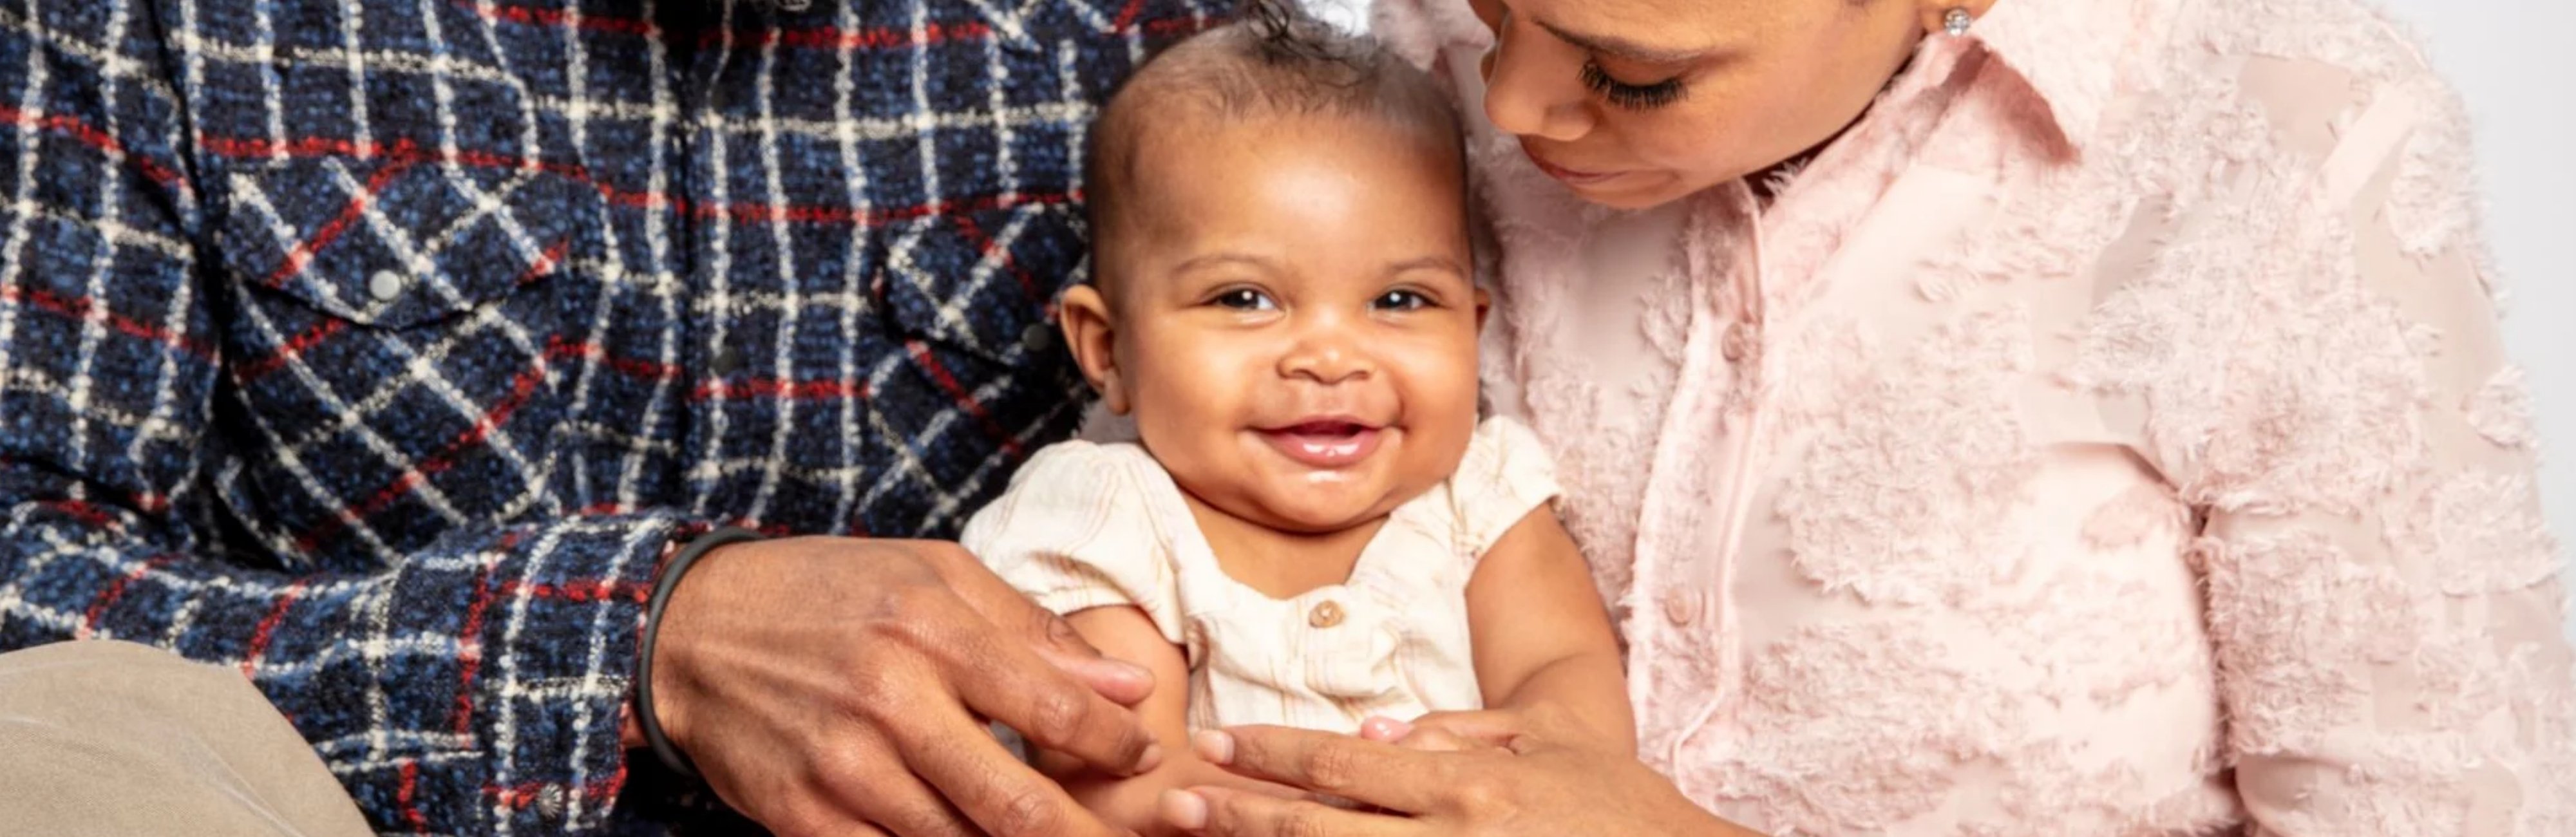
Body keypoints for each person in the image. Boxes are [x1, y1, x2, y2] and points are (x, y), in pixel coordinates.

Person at [1152, 0, 2576, 834]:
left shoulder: (2289, 138)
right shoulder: (1445, 54)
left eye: (1630, 71)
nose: (1509, 98)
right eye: (1488, 5)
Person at [0, 1, 1217, 834]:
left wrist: (1368, 762)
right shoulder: (160, 26)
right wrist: (626, 642)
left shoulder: (1157, 45)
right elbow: (22, 559)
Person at [956, 5, 1630, 833]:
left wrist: (1555, 782)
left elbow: (1568, 694)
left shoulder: (1482, 501)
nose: (1330, 358)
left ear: (1473, 327)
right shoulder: (1105, 518)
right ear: (1108, 351)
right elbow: (1120, 775)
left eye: (1399, 299)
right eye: (1244, 298)